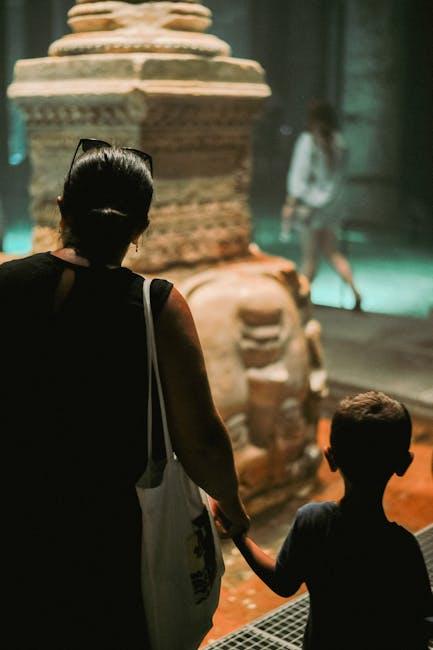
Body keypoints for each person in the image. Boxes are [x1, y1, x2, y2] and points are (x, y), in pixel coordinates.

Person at [0, 139, 249, 649]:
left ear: (63, 209)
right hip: (114, 540)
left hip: (16, 524)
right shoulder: (158, 306)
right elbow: (201, 439)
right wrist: (231, 502)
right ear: (140, 228)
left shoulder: (6, 284)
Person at [214, 391, 433, 650]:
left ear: (330, 458)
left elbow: (283, 583)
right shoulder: (402, 546)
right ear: (404, 464)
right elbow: (422, 617)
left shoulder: (313, 522)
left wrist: (239, 536)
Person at [280, 100, 362, 310]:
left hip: (311, 208)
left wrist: (290, 203)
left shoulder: (308, 141)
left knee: (309, 259)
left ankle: (298, 301)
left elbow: (299, 177)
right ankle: (355, 292)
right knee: (332, 252)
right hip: (332, 207)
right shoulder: (340, 143)